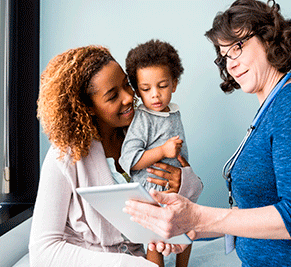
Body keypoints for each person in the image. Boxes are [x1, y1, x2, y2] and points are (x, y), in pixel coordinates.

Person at [123, 0, 291, 266]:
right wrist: (186, 229)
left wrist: (198, 216)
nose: (230, 64)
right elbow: (251, 214)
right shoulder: (268, 113)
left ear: (269, 39)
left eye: (238, 46)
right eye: (224, 55)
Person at [29, 45, 203, 267]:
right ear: (88, 107)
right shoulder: (65, 155)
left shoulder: (143, 133)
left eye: (127, 85)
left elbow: (188, 195)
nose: (129, 97)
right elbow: (43, 251)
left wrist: (182, 182)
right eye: (112, 96)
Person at [119, 39, 193, 266]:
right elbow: (128, 160)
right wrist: (162, 150)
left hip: (175, 190)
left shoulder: (174, 113)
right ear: (138, 90)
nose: (155, 95)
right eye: (146, 89)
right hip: (151, 193)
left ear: (174, 83)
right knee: (154, 241)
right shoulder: (143, 118)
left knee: (188, 230)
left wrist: (186, 173)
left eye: (162, 86)